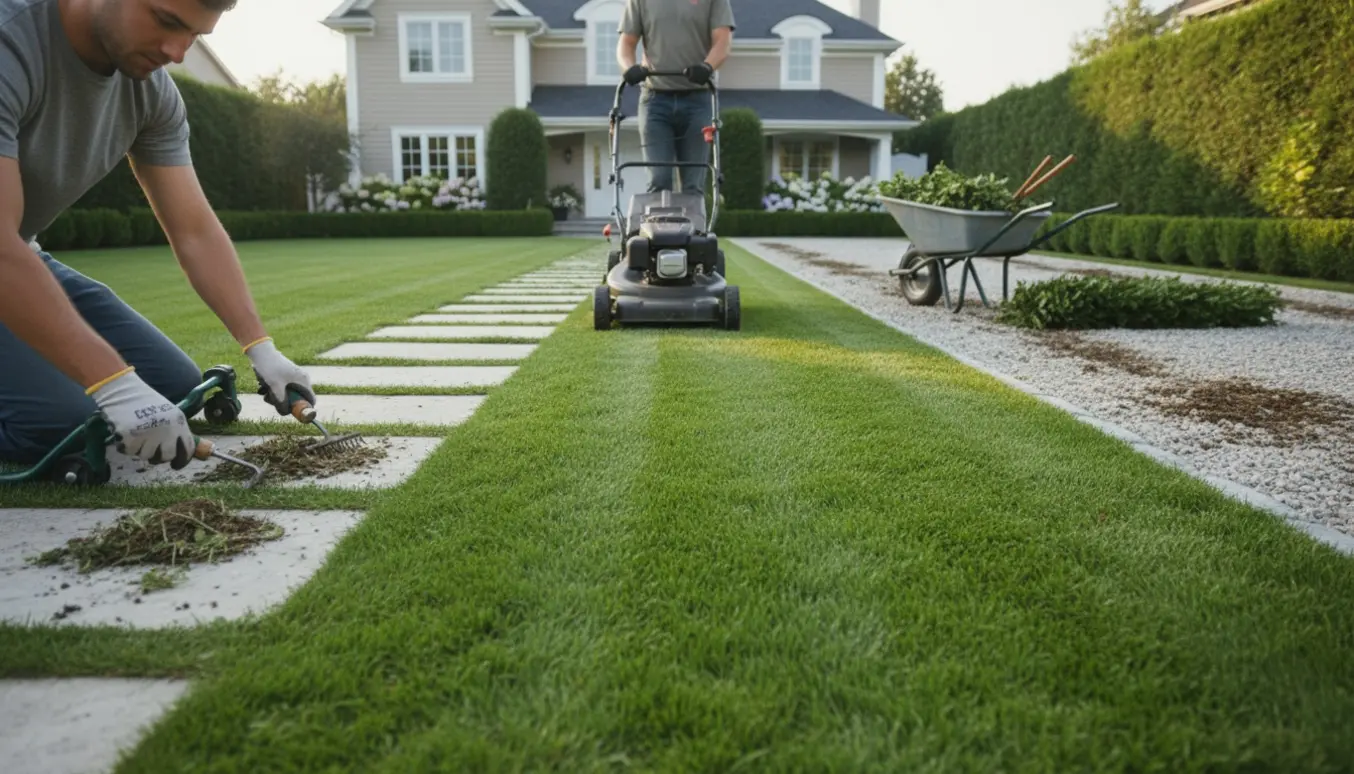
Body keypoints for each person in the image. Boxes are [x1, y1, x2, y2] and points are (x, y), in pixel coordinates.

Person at [0, 0, 316, 471]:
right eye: (166, 21)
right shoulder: (12, 42)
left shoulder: (150, 90)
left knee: (169, 383)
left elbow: (194, 230)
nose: (177, 51)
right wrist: (111, 382)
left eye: (194, 35)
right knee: (62, 421)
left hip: (20, 253)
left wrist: (260, 346)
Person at [617, 0, 735, 197]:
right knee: (659, 179)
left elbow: (722, 41)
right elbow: (626, 43)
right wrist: (629, 68)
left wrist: (707, 67)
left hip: (698, 99)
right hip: (655, 100)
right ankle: (659, 227)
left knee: (693, 183)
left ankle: (694, 227)